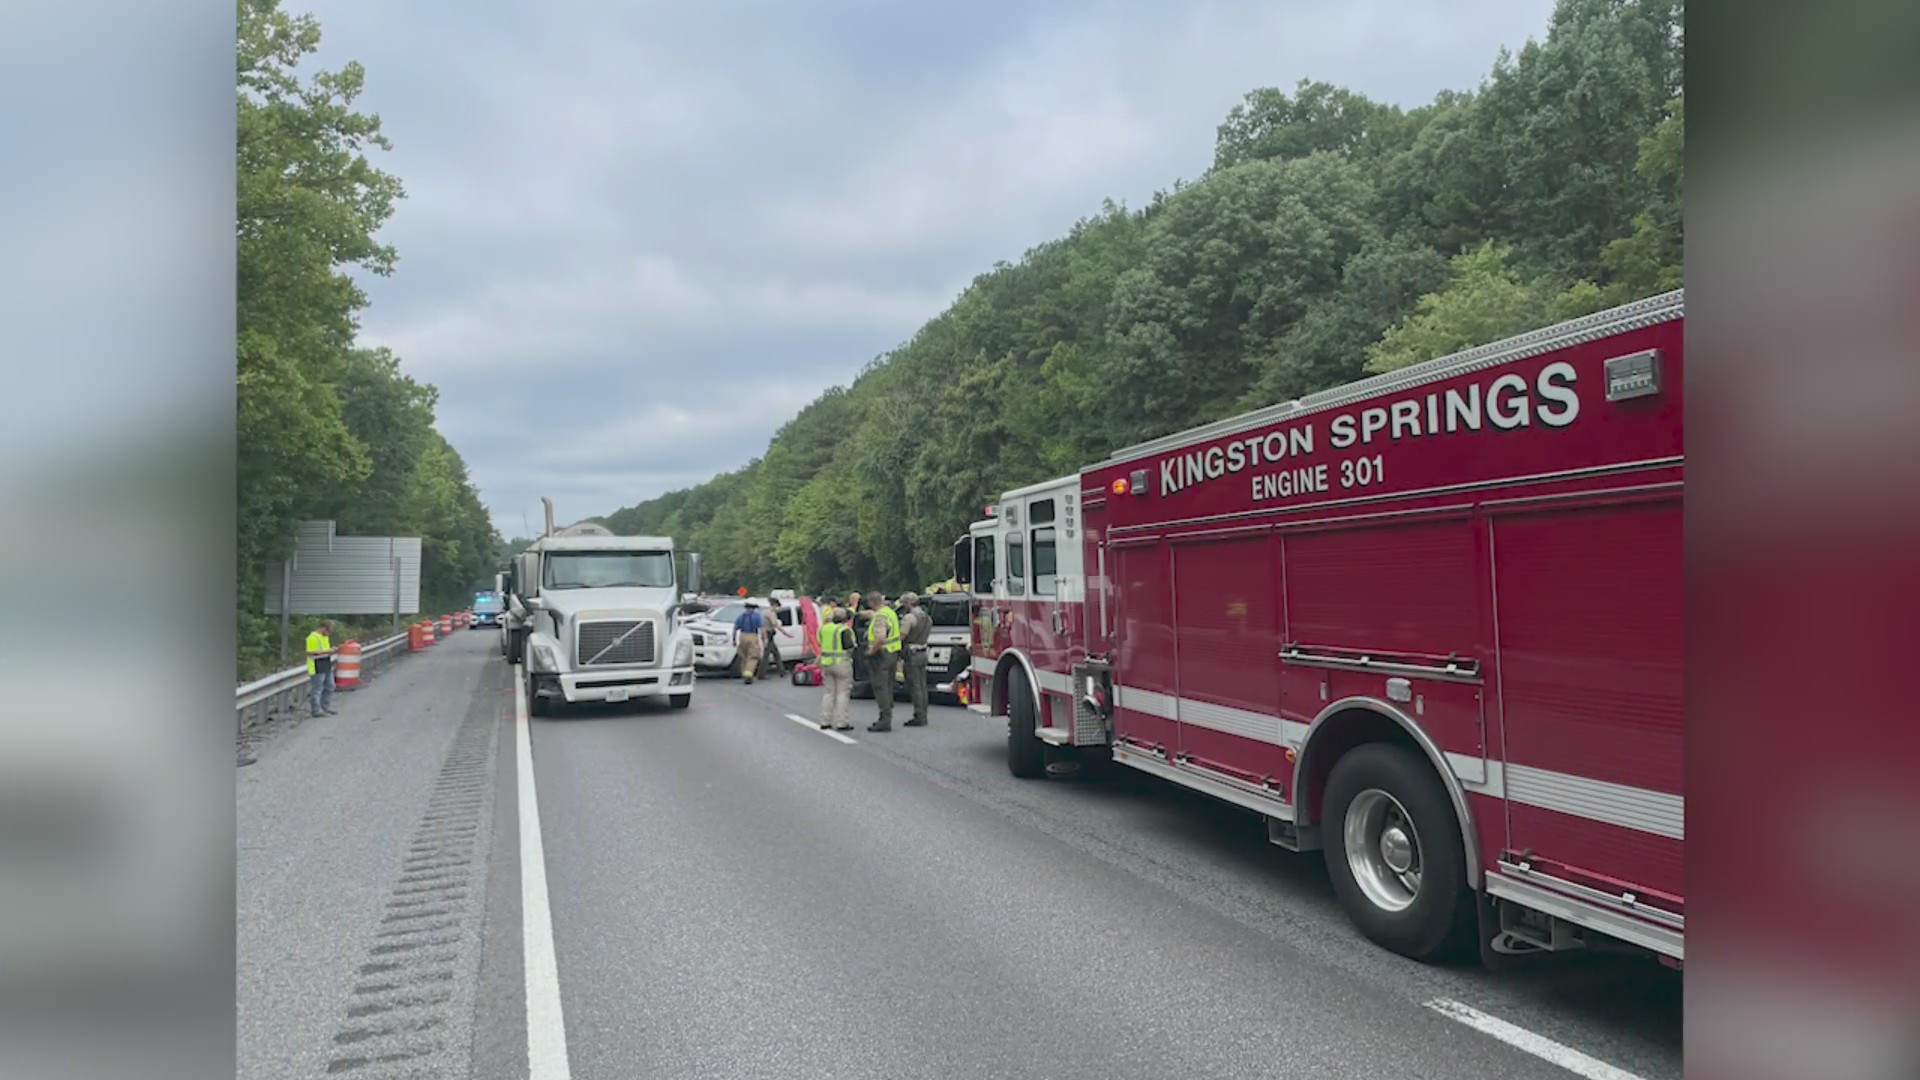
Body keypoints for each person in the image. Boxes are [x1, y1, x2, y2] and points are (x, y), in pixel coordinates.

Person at [863, 590, 900, 731]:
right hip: (892, 653)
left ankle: (885, 719)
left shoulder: (880, 617)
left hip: (881, 655)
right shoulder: (890, 612)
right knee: (888, 685)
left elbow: (880, 637)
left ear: (871, 602)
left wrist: (871, 651)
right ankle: (886, 716)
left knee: (880, 687)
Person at [816, 607, 855, 731]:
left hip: (826, 663)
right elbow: (850, 646)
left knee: (828, 693)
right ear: (844, 619)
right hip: (841, 663)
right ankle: (842, 722)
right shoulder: (844, 630)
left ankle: (825, 720)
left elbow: (819, 643)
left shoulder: (823, 629)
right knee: (842, 693)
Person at [897, 591, 932, 727]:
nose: (904, 606)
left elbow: (902, 635)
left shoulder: (909, 618)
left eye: (905, 603)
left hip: (912, 654)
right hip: (923, 652)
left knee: (915, 686)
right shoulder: (927, 618)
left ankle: (919, 715)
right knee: (922, 685)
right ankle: (924, 713)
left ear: (909, 603)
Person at [306, 620, 339, 717]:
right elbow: (310, 652)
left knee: (330, 686)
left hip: (326, 664)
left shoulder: (325, 637)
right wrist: (327, 651)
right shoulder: (312, 637)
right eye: (329, 631)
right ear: (323, 628)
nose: (329, 633)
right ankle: (316, 710)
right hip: (316, 665)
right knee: (317, 689)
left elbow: (325, 651)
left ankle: (325, 707)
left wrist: (331, 651)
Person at [732, 599, 768, 684]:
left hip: (742, 636)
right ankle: (748, 675)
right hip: (752, 636)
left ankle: (744, 673)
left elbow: (735, 629)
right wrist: (764, 639)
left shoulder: (741, 616)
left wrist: (734, 640)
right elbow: (762, 629)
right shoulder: (757, 616)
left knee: (744, 656)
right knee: (753, 657)